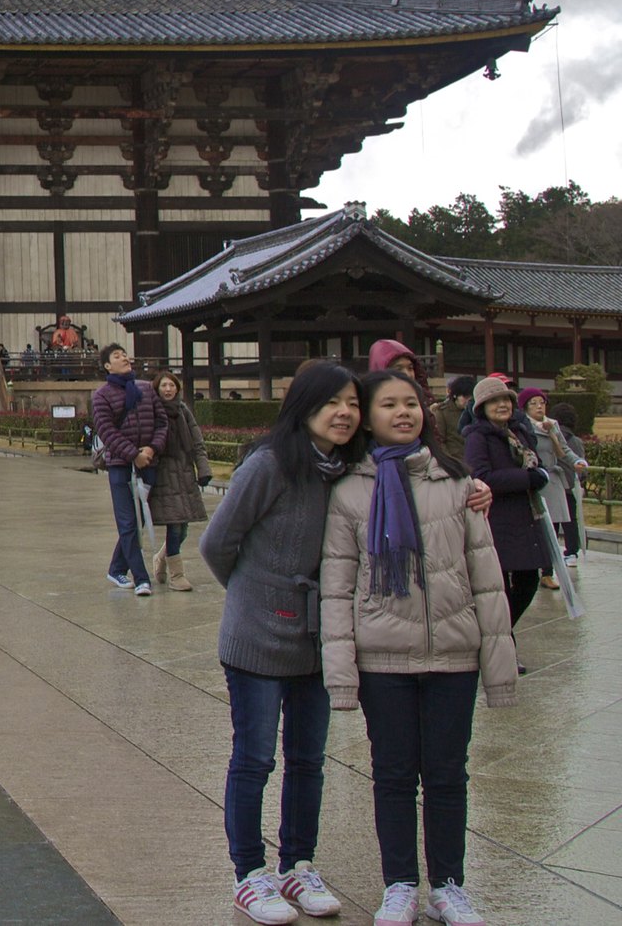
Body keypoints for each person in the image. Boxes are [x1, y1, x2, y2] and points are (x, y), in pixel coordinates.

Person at [322, 368, 516, 926]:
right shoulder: (348, 491)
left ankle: (449, 884)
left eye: (412, 403)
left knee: (449, 773)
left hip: (454, 655)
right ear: (369, 416)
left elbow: (486, 576)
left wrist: (498, 666)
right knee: (394, 774)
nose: (403, 413)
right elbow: (337, 586)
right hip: (383, 658)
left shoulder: (458, 483)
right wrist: (342, 671)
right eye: (389, 404)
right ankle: (400, 883)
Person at [198, 362, 361, 924]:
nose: (345, 413)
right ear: (305, 406)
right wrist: (254, 597)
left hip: (318, 637)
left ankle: (298, 864)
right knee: (255, 757)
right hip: (257, 637)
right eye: (332, 402)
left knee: (308, 759)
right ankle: (249, 873)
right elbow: (218, 544)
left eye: (352, 403)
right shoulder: (269, 464)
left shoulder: (349, 469)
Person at [463, 378, 551, 639]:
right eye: (494, 401)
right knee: (500, 586)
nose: (502, 405)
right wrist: (526, 479)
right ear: (481, 407)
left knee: (529, 581)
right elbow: (480, 476)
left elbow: (536, 463)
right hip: (498, 519)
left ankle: (499, 634)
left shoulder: (520, 432)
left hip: (526, 517)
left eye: (506, 400)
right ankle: (501, 640)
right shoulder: (477, 437)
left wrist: (540, 474)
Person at [89, 343, 166, 597]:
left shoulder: (146, 389)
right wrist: (133, 454)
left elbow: (161, 422)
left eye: (124, 354)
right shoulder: (101, 396)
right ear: (107, 366)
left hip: (148, 462)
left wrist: (151, 450)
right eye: (117, 356)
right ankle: (141, 578)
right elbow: (107, 431)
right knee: (127, 521)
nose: (124, 358)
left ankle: (116, 567)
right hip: (121, 466)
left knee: (140, 519)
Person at [146, 370, 211, 592]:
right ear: (157, 389)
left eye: (171, 385)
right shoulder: (152, 412)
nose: (168, 389)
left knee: (183, 529)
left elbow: (197, 441)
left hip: (184, 473)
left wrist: (203, 470)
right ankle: (177, 574)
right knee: (175, 526)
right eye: (164, 385)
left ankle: (161, 558)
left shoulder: (183, 411)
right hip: (164, 474)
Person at [520, 389, 583, 573]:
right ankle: (534, 566)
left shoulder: (552, 425)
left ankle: (548, 572)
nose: (539, 406)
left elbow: (564, 450)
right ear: (525, 407)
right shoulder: (523, 426)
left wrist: (577, 461)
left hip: (552, 479)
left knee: (553, 526)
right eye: (534, 403)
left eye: (542, 402)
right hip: (533, 478)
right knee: (536, 527)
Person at [550, 401, 588, 561]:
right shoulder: (576, 441)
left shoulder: (549, 438)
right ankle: (571, 552)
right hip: (569, 487)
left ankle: (551, 554)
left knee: (552, 522)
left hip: (552, 486)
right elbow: (581, 466)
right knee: (571, 521)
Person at [436, 376, 473, 450]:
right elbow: (439, 440)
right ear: (455, 395)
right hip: (453, 457)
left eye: (471, 398)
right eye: (465, 397)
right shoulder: (442, 412)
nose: (468, 401)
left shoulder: (475, 412)